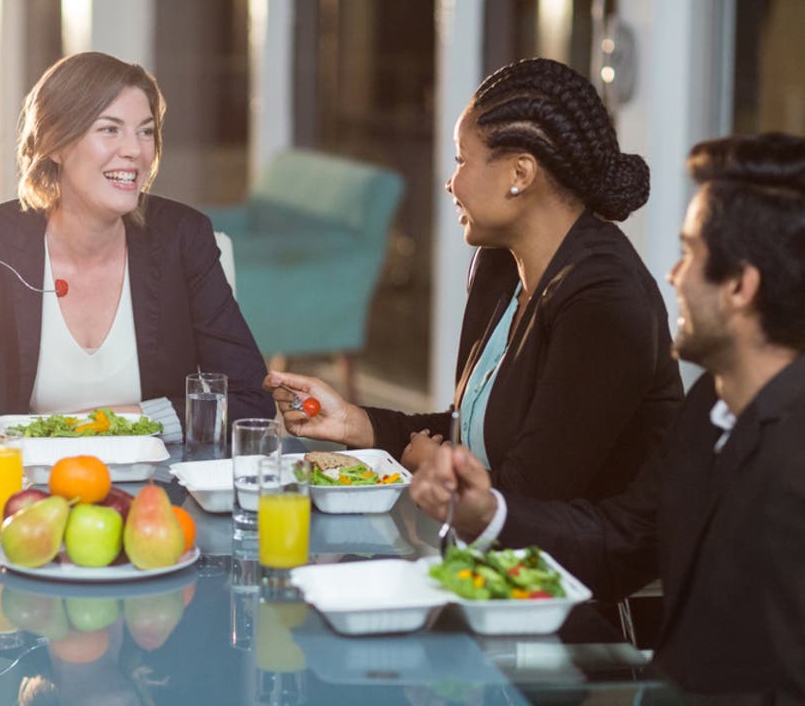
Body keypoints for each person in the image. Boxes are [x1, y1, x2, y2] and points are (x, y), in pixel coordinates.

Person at [410, 133, 805, 700]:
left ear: (740, 286)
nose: (673, 275)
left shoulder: (793, 459)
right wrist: (489, 512)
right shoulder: (709, 408)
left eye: (690, 254)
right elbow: (624, 537)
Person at [267, 58, 683, 500]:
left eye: (462, 159)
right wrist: (352, 422)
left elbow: (532, 495)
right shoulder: (500, 266)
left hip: (579, 545)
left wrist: (435, 466)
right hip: (490, 535)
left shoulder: (604, 300)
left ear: (520, 174)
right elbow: (468, 431)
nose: (451, 183)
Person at [0, 52, 272, 446]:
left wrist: (108, 423)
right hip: (21, 481)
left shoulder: (182, 237)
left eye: (146, 132)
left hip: (156, 481)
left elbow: (249, 400)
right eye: (110, 129)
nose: (135, 150)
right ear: (54, 143)